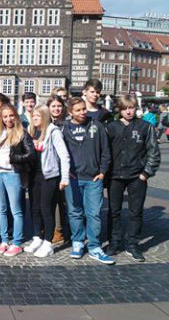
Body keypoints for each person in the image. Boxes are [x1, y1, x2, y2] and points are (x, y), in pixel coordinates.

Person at [106, 95, 160, 262]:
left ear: (135, 108)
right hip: (115, 176)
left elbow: (153, 151)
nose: (128, 111)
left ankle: (132, 243)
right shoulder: (111, 127)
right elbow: (104, 152)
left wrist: (146, 173)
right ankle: (114, 242)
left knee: (135, 212)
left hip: (137, 176)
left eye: (131, 108)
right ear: (119, 110)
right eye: (125, 108)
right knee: (114, 211)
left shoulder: (145, 127)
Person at [62, 97, 114, 264]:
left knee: (93, 214)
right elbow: (58, 153)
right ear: (70, 112)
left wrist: (102, 172)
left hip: (93, 178)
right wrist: (66, 172)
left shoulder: (96, 126)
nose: (82, 112)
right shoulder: (64, 128)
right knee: (75, 212)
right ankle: (77, 242)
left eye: (83, 108)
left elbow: (106, 151)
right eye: (78, 110)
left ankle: (94, 246)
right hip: (73, 179)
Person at [0, 104, 35, 256]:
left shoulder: (22, 133)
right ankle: (4, 240)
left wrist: (13, 158)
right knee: (1, 209)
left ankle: (16, 242)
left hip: (12, 174)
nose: (8, 119)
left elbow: (31, 154)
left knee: (16, 210)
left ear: (15, 116)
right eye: (5, 116)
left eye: (11, 115)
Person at [24, 105, 70, 257]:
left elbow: (64, 155)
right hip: (34, 176)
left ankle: (48, 242)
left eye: (38, 116)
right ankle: (37, 237)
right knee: (35, 208)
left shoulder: (53, 132)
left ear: (44, 116)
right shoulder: (32, 131)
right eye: (33, 116)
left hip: (49, 176)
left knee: (46, 209)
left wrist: (64, 178)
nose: (35, 118)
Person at [46, 95, 69, 245]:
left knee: (63, 202)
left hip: (63, 167)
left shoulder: (67, 124)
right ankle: (53, 229)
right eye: (53, 106)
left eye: (59, 106)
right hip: (50, 168)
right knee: (51, 201)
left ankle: (60, 230)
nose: (56, 109)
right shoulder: (45, 123)